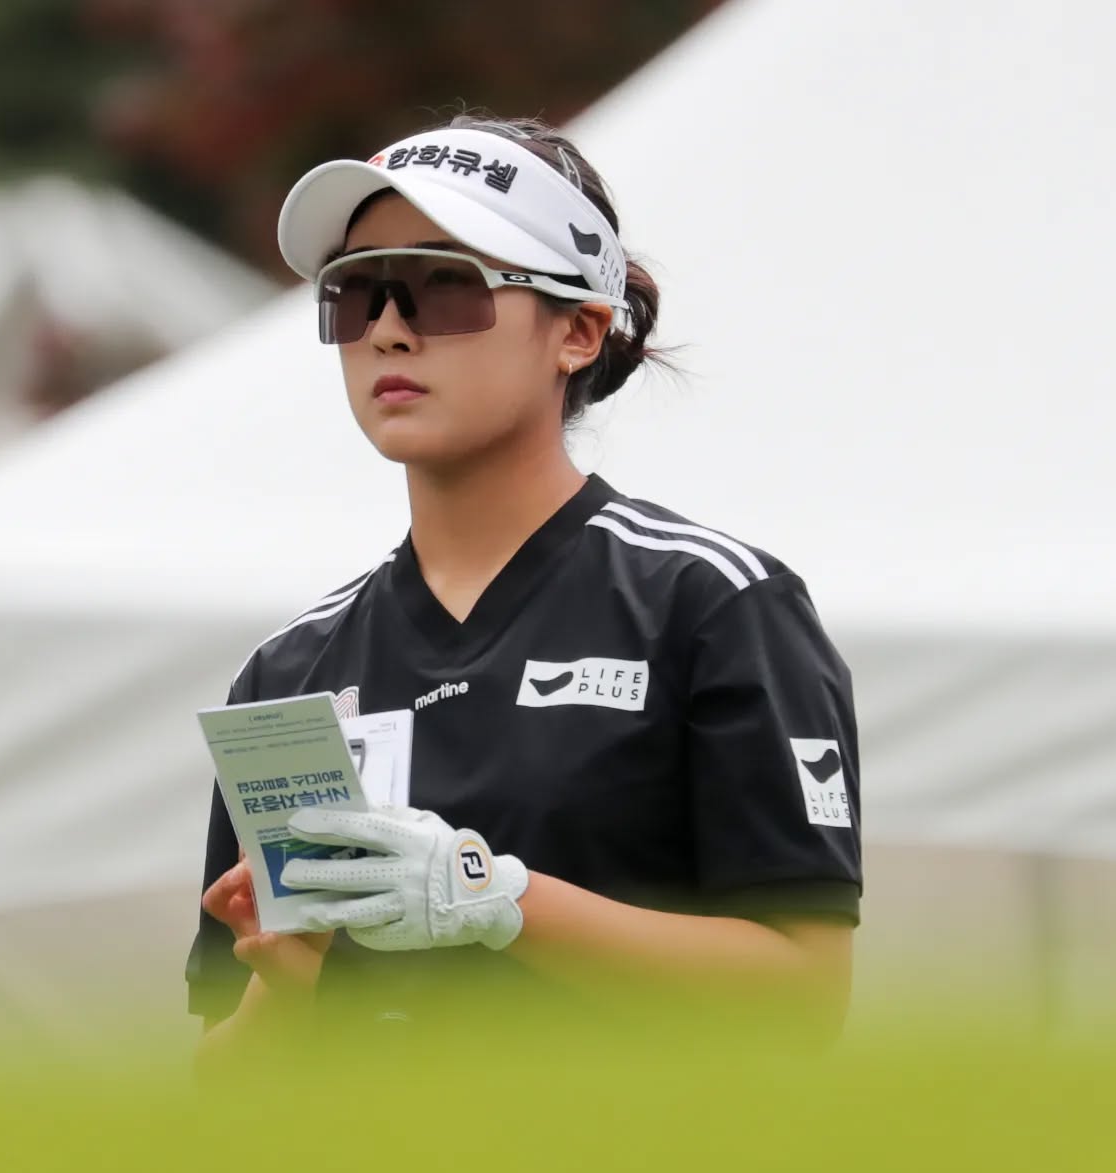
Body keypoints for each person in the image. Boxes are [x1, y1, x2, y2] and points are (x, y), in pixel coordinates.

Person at [187, 115, 861, 1070]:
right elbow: (218, 1085)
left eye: (445, 286)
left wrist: (492, 896)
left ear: (578, 332)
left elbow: (805, 1002)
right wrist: (287, 989)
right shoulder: (290, 671)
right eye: (356, 292)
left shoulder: (712, 606)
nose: (388, 329)